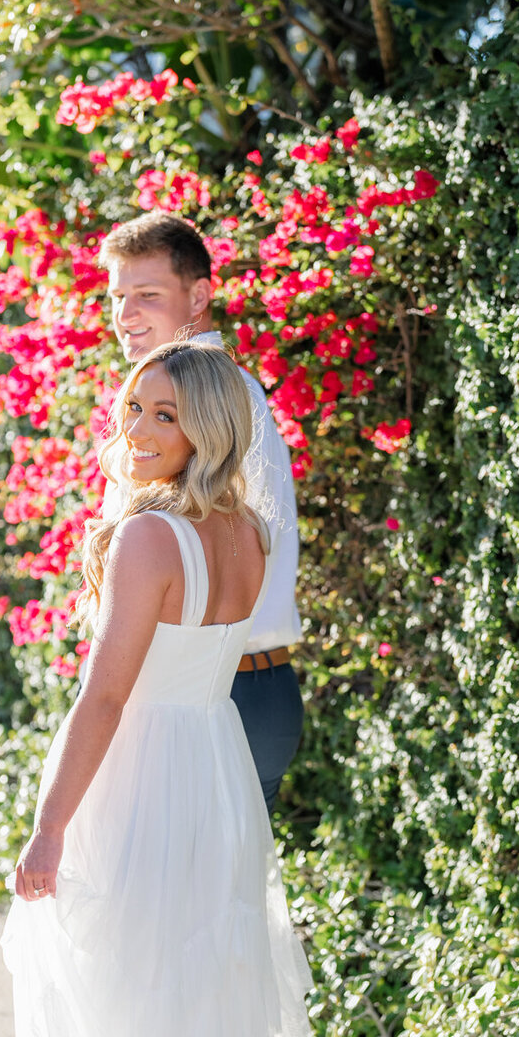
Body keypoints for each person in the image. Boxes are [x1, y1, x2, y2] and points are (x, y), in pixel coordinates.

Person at [4, 341, 417, 1037]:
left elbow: (105, 696)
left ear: (208, 431)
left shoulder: (148, 537)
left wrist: (51, 824)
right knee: (202, 1017)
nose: (137, 432)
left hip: (142, 776)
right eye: (134, 409)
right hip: (213, 773)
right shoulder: (251, 534)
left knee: (128, 1018)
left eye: (164, 417)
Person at [97, 211, 303, 810]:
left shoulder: (217, 401)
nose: (125, 314)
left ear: (200, 296)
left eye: (147, 295)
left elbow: (212, 572)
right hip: (234, 690)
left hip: (211, 695)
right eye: (118, 296)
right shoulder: (177, 400)